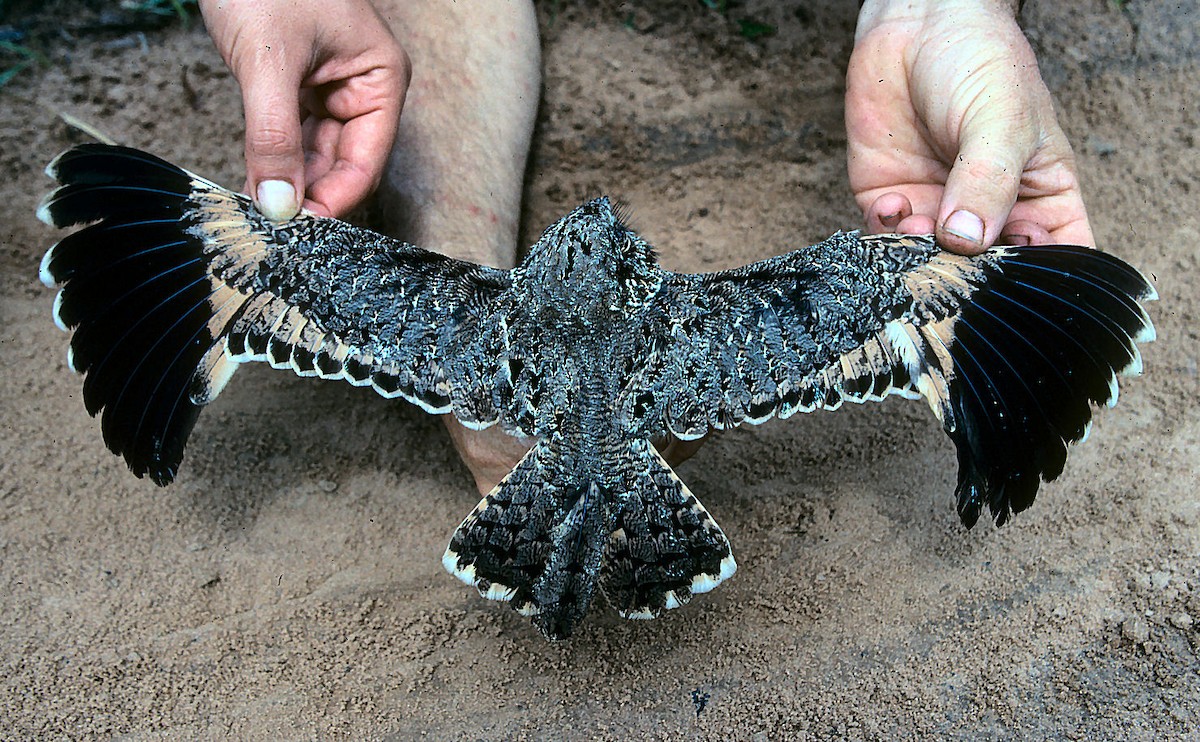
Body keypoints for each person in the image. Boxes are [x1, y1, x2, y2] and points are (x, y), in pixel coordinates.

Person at [197, 0, 1093, 494]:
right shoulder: (702, 319)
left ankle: (490, 406)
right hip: (625, 397)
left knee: (272, 243)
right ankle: (487, 416)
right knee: (895, 275)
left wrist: (945, 8)